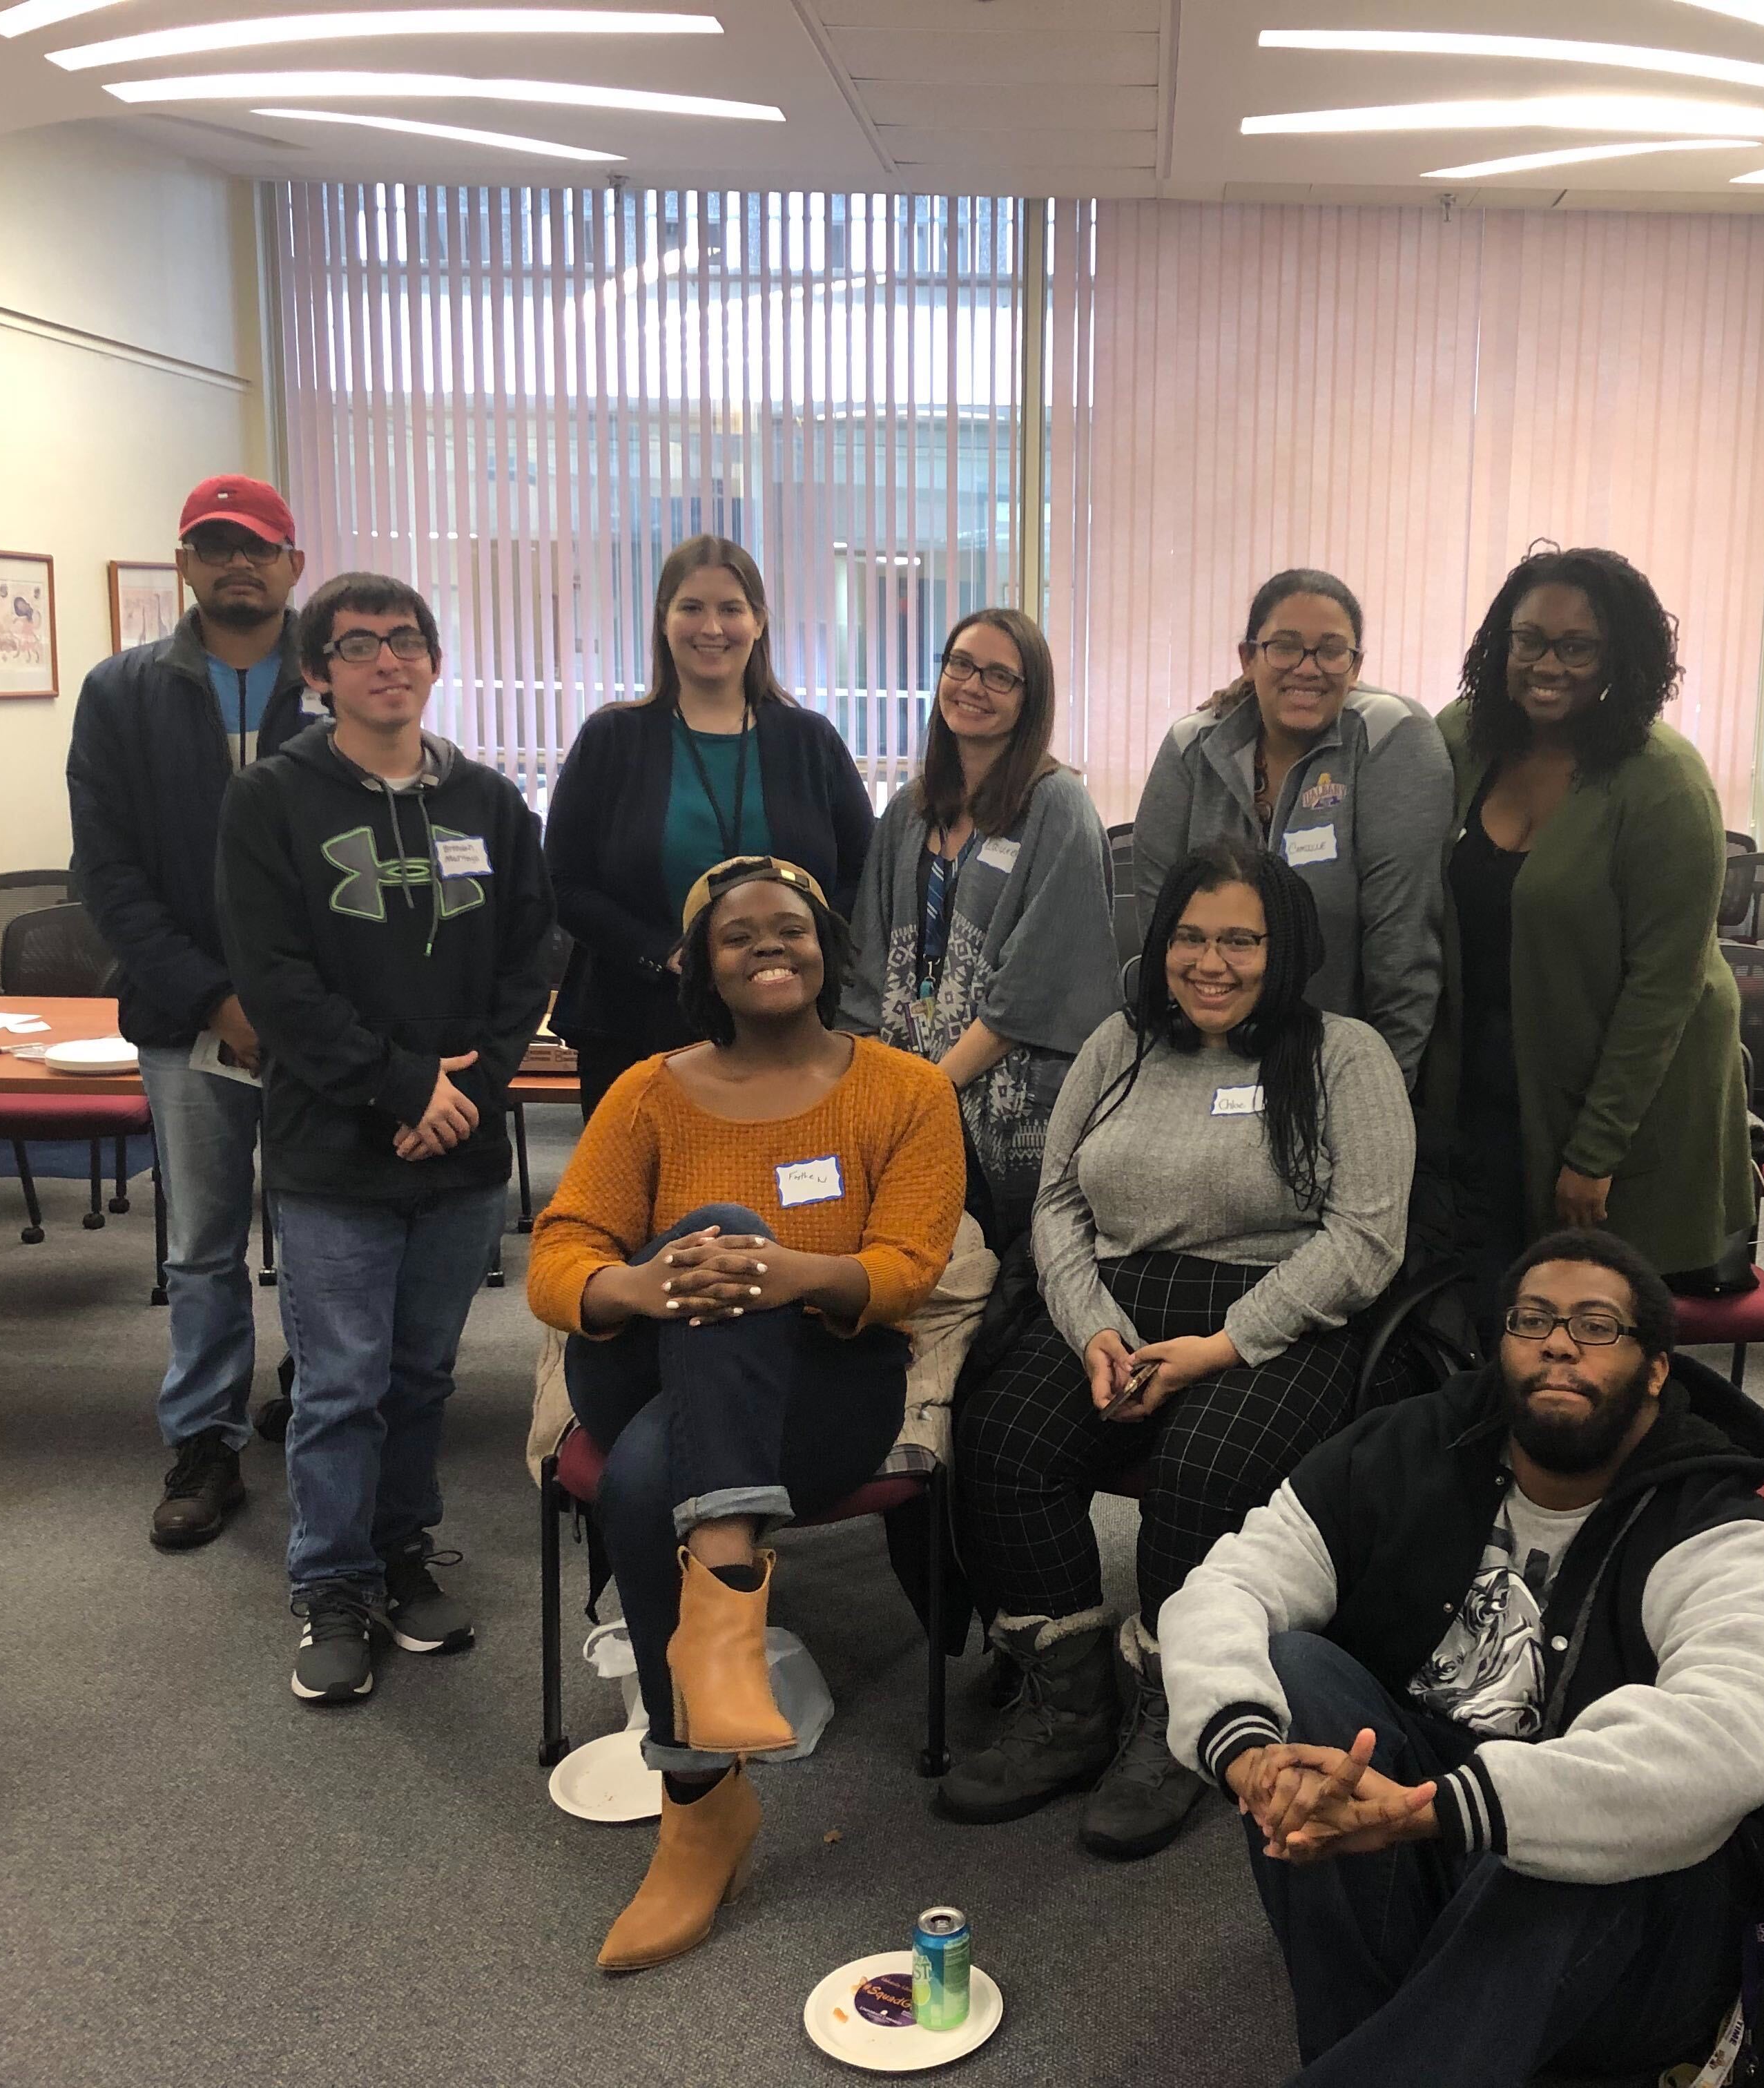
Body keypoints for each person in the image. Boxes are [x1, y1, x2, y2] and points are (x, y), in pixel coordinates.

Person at [1161, 1228, 1764, 2086]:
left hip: (1630, 1921)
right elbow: (1230, 1584)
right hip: (1427, 1824)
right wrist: (1248, 1757)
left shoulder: (1716, 1523)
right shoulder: (1408, 1446)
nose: (1560, 1342)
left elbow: (1729, 1739)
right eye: (1532, 1319)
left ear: (1658, 1368)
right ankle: (1391, 2048)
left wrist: (1443, 1813)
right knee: (1292, 1681)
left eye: (1598, 1326)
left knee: (1573, 1843)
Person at [526, 856, 965, 1974]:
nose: (768, 945)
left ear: (825, 946)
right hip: (644, 1360)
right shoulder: (648, 1090)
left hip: (830, 1381)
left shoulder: (904, 1091)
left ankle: (699, 1808)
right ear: (701, 965)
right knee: (708, 1227)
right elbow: (562, 1252)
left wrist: (781, 1273)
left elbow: (907, 1267)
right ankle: (725, 1608)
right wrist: (649, 1282)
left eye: (791, 927)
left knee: (639, 1479)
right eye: (737, 934)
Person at [942, 841, 1412, 1860]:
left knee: (1203, 1476)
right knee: (1002, 1442)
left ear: (1284, 949)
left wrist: (1223, 1347)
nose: (1213, 963)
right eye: (1191, 938)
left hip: (1275, 1318)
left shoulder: (1344, 1055)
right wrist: (1094, 1328)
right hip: (1114, 1305)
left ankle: (1182, 1717)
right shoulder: (1122, 1042)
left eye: (1242, 939)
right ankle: (1070, 1706)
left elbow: (1366, 1241)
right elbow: (1058, 1201)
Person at [216, 572, 553, 1705]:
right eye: (356, 645)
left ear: (434, 659)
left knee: (422, 1377)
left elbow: (529, 958)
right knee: (340, 1383)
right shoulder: (272, 799)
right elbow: (276, 979)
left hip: (459, 1147)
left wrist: (473, 1085)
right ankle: (331, 1581)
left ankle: (403, 1551)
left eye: (405, 640)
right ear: (318, 674)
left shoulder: (491, 803)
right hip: (333, 1148)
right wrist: (402, 1086)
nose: (385, 660)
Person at [67, 472, 316, 1552]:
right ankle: (207, 1439)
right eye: (214, 547)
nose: (236, 564)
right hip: (185, 1021)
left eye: (256, 546)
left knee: (324, 1234)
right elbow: (109, 877)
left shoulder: (341, 674)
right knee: (205, 1244)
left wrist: (300, 1005)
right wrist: (214, 998)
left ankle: (320, 1409)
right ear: (185, 564)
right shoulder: (123, 693)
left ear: (292, 564)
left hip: (322, 1023)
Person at [1417, 546, 1754, 1311]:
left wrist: (1596, 1152)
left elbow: (1663, 988)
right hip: (1496, 1071)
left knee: (1600, 1321)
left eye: (1578, 647)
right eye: (1529, 639)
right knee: (1492, 1295)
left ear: (1620, 659)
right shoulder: (1464, 738)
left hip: (1629, 1095)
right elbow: (1364, 735)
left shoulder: (1664, 780)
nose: (1548, 664)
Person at [546, 535, 876, 1113]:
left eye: (731, 609)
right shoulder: (612, 739)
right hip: (639, 1026)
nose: (712, 627)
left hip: (790, 1028)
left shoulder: (809, 740)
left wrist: (797, 953)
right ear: (663, 619)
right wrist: (663, 953)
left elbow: (862, 873)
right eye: (692, 607)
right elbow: (563, 883)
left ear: (759, 621)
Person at [842, 608, 1121, 1238]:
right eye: (961, 665)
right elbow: (867, 964)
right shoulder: (908, 813)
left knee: (991, 1274)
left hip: (1011, 1101)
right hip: (907, 1081)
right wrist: (872, 1091)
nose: (973, 686)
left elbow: (1041, 982)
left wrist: (930, 1092)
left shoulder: (1057, 806)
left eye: (1000, 676)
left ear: (1031, 699)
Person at [1132, 570, 1450, 1083]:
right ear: (1248, 657)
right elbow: (1162, 935)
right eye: (1284, 647)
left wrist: (1385, 1093)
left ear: (1356, 665)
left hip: (1339, 1069)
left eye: (1330, 650)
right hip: (1203, 1063)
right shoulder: (1192, 748)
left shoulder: (1392, 738)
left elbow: (1404, 948)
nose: (1308, 669)